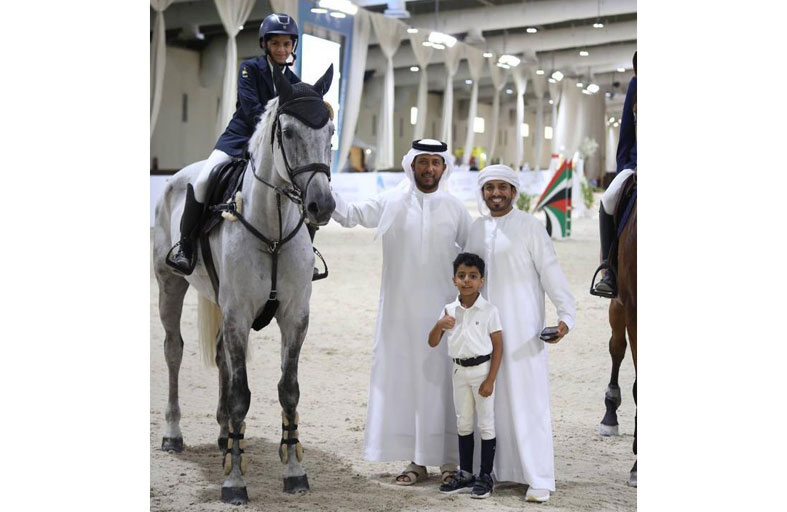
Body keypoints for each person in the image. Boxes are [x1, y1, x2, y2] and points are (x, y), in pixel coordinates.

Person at [330, 139, 473, 486]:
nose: (428, 169)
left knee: (444, 388)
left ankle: (451, 462)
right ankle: (417, 462)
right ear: (411, 165)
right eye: (422, 162)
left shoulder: (455, 208)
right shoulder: (391, 201)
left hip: (445, 319)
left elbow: (476, 260)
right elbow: (350, 216)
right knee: (408, 387)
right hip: (399, 318)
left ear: (444, 167)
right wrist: (320, 184)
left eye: (435, 163)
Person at [465, 164, 576, 503]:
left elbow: (551, 273)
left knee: (528, 402)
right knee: (488, 403)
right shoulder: (476, 229)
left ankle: (538, 477)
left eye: (502, 188)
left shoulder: (530, 227)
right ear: (482, 193)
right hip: (483, 334)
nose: (495, 194)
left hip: (524, 334)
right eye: (489, 188)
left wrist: (565, 316)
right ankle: (492, 471)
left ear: (514, 192)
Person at [169, 13, 302, 274]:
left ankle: (306, 252)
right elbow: (252, 109)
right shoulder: (249, 68)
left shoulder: (295, 84)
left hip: (276, 147)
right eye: (276, 43)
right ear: (265, 44)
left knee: (301, 191)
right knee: (203, 181)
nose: (282, 49)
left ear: (292, 46)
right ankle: (185, 247)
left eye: (287, 44)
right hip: (240, 137)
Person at [428, 253, 503, 499]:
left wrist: (490, 379)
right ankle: (467, 473)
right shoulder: (449, 310)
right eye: (461, 276)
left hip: (482, 372)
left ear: (482, 280)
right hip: (459, 371)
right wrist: (440, 325)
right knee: (464, 422)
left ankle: (485, 476)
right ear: (454, 280)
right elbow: (432, 342)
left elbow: (498, 346)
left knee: (486, 423)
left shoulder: (489, 310)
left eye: (473, 276)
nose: (467, 281)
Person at [593, 51, 637, 297]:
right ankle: (609, 269)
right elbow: (627, 132)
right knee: (609, 198)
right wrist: (626, 167)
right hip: (637, 163)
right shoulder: (636, 84)